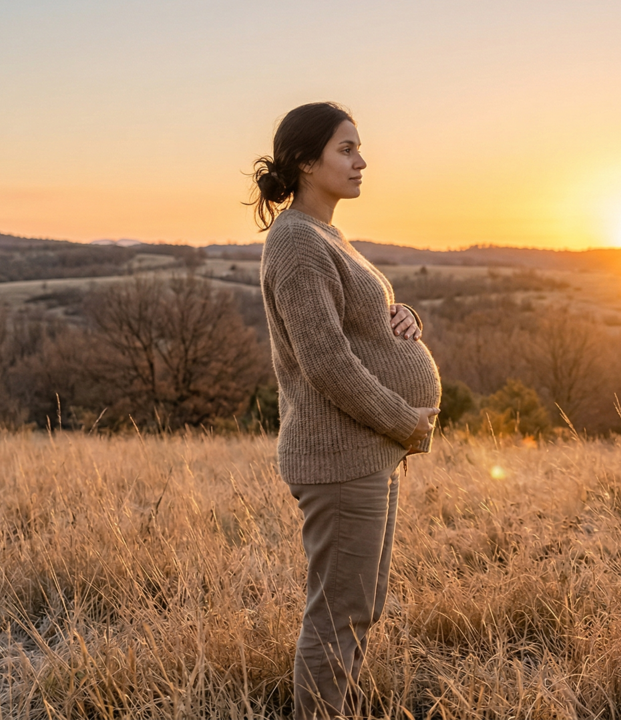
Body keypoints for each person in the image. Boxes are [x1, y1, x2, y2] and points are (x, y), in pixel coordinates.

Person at [250, 101, 441, 719]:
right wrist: (405, 421)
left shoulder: (326, 235)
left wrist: (403, 318)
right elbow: (325, 363)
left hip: (364, 453)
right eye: (346, 149)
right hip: (339, 458)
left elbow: (357, 328)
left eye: (359, 148)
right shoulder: (297, 243)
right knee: (338, 615)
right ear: (307, 162)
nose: (361, 161)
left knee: (360, 605)